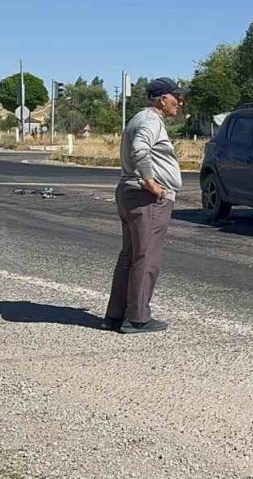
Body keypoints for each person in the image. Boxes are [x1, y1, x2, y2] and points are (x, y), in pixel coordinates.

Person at [103, 78, 185, 334]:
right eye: (176, 98)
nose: (179, 103)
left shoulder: (138, 118)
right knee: (146, 256)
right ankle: (137, 318)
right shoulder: (150, 121)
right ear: (163, 99)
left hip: (129, 193)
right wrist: (152, 184)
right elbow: (140, 149)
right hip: (146, 198)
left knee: (130, 255)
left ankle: (115, 315)